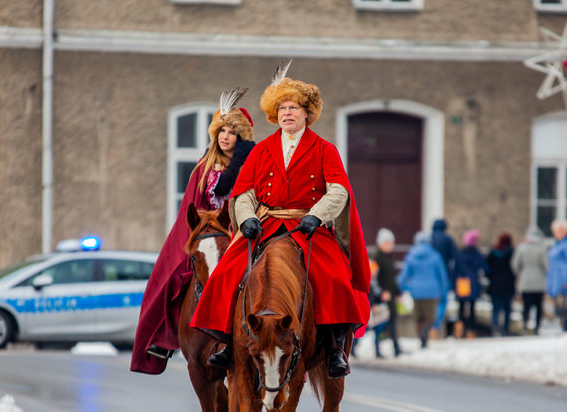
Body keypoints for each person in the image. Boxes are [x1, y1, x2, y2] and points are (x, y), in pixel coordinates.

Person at [191, 63, 371, 378]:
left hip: (307, 228)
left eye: (294, 108)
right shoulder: (261, 151)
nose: (287, 113)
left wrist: (317, 215)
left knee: (334, 276)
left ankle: (335, 349)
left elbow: (339, 190)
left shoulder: (324, 149)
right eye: (283, 108)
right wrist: (246, 219)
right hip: (267, 227)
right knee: (226, 272)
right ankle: (225, 341)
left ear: (307, 114)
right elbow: (243, 193)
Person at [130, 88, 255, 374]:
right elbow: (209, 196)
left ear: (242, 137)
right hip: (206, 230)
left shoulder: (252, 165)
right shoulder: (205, 166)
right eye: (221, 130)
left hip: (240, 232)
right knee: (175, 274)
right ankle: (165, 338)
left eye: (232, 132)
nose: (225, 136)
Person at [397, 231, 449, 348]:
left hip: (416, 291)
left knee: (418, 318)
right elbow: (442, 276)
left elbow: (404, 276)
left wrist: (402, 288)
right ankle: (427, 335)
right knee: (430, 317)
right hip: (432, 291)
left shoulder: (411, 256)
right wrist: (444, 291)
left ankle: (422, 337)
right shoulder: (436, 256)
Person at [512, 226, 548, 334]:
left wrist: (521, 274)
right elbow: (547, 265)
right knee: (538, 306)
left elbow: (515, 265)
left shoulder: (522, 248)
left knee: (526, 305)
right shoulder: (542, 248)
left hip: (525, 281)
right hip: (540, 282)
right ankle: (537, 327)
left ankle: (525, 325)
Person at [372, 227, 402, 357]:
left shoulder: (390, 258)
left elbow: (392, 278)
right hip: (380, 298)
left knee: (393, 323)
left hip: (391, 296)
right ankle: (377, 349)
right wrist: (380, 294)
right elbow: (372, 279)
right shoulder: (376, 257)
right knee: (379, 325)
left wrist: (398, 292)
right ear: (381, 243)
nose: (390, 245)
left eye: (391, 243)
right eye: (387, 243)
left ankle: (396, 348)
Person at [453, 229, 489, 338]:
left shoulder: (459, 254)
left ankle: (459, 330)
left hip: (462, 282)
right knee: (472, 308)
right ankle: (471, 331)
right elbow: (485, 268)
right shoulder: (477, 254)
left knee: (461, 307)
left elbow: (455, 269)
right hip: (472, 281)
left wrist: (453, 283)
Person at [546, 218, 567, 332]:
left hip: (564, 280)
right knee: (559, 306)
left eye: (559, 231)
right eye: (555, 231)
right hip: (556, 279)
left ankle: (566, 329)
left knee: (566, 306)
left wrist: (566, 281)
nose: (556, 233)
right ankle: (562, 328)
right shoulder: (558, 245)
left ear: (565, 231)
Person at [430, 218, 458, 337]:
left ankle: (431, 326)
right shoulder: (448, 239)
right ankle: (435, 327)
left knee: (431, 302)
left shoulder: (429, 239)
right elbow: (455, 257)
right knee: (442, 302)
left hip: (430, 276)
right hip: (444, 274)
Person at [486, 232, 516, 336]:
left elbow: (487, 269)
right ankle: (505, 328)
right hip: (508, 284)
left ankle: (495, 328)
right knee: (507, 308)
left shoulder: (493, 253)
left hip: (495, 285)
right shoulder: (512, 253)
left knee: (496, 308)